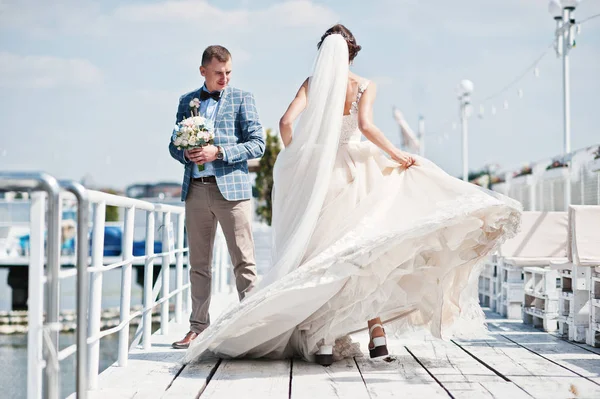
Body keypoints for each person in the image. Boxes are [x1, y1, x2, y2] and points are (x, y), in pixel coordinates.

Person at [183, 26, 521, 365]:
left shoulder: (312, 84)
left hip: (322, 175)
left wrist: (301, 158)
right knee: (365, 251)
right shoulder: (363, 85)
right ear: (352, 53)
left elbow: (286, 122)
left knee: (326, 257)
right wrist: (397, 154)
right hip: (356, 173)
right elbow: (367, 127)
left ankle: (326, 338)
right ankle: (376, 332)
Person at [168, 45, 265, 349]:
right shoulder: (187, 101)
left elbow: (257, 144)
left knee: (244, 262)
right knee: (198, 263)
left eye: (228, 72)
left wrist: (219, 152)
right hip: (195, 190)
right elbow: (173, 144)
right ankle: (198, 328)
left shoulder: (242, 98)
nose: (224, 78)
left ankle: (252, 327)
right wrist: (185, 153)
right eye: (218, 72)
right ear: (203, 72)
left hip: (232, 192)